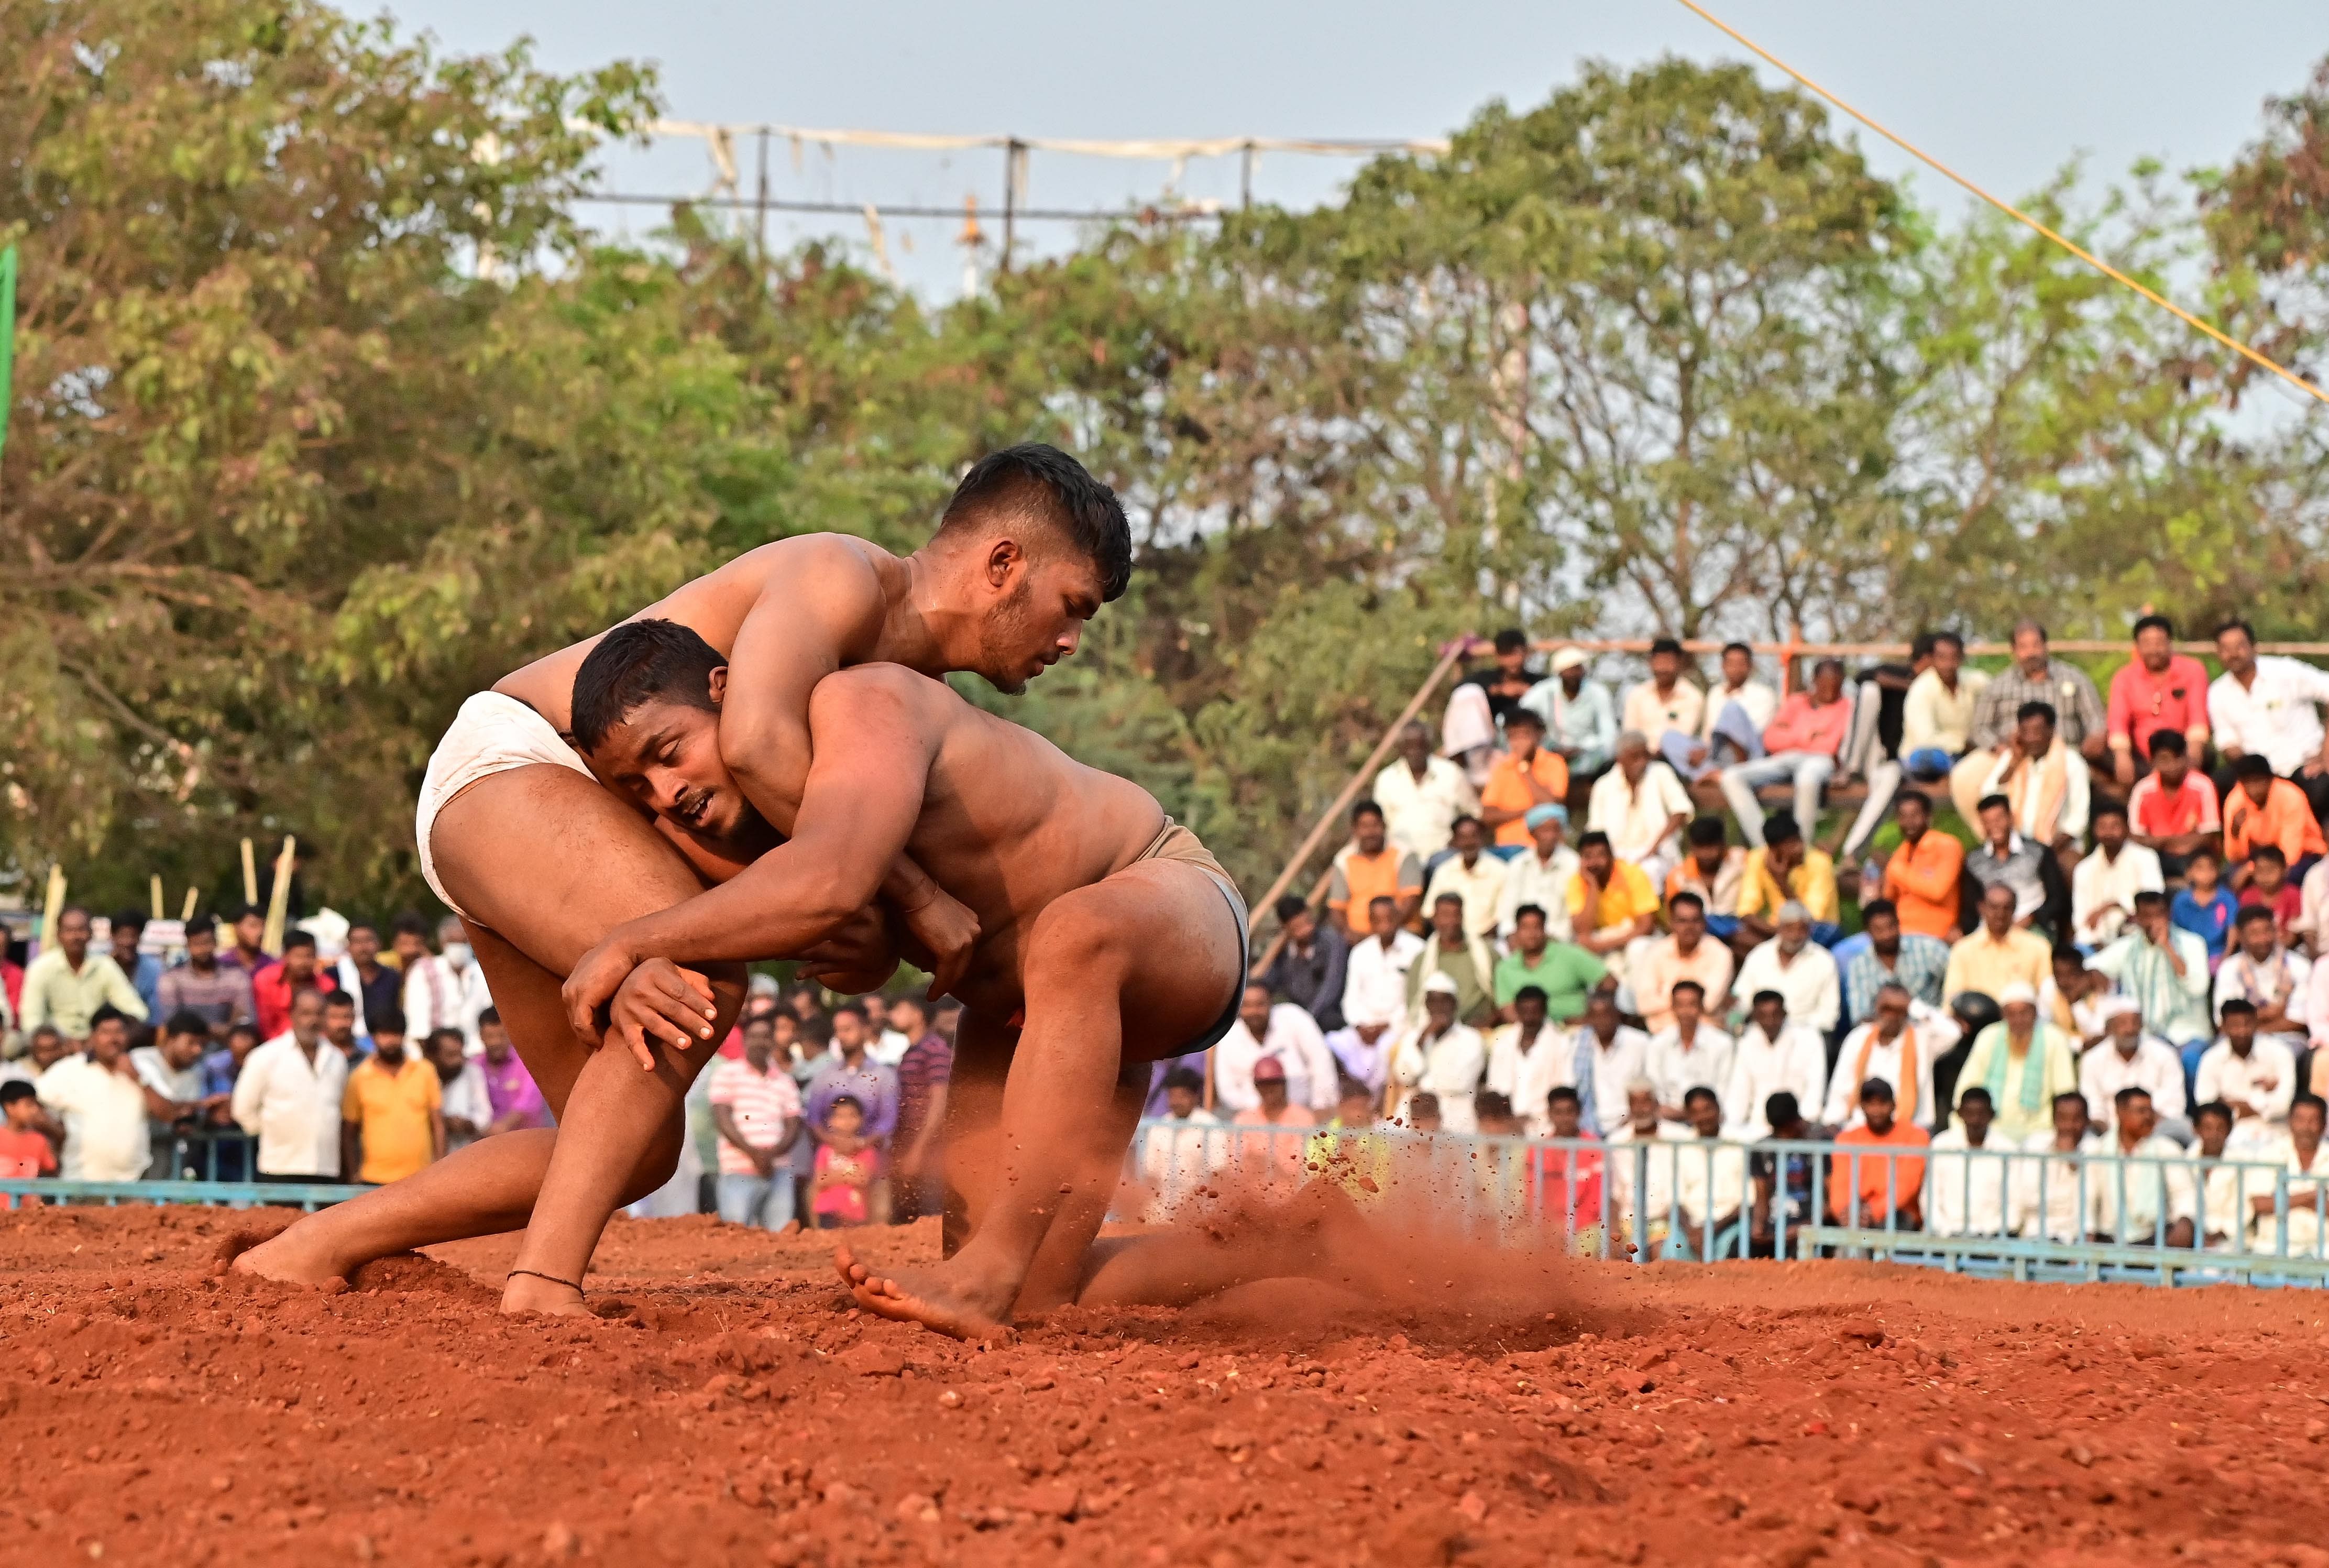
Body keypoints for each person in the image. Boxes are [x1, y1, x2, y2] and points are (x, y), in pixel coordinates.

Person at [233, 445, 1131, 1306]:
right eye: (1073, 602)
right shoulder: (841, 577)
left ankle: (308, 1247)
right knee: (694, 976)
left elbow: (782, 846)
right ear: (1004, 562)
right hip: (518, 765)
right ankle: (541, 1286)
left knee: (631, 1144)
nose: (1071, 637)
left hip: (562, 823)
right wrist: (905, 895)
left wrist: (851, 908)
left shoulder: (896, 688)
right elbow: (753, 742)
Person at [1950, 620, 2108, 821]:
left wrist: (2095, 737)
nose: (2031, 652)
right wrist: (2000, 750)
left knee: (2075, 778)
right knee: (1964, 777)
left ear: (2045, 646)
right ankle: (1997, 843)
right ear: (2014, 651)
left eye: (2036, 645)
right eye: (2023, 647)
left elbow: (2095, 718)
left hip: (2064, 751)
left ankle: (2064, 839)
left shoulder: (2074, 678)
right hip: (2011, 752)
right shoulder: (1998, 686)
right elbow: (1980, 728)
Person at [2209, 620, 2329, 831]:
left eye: (2240, 646)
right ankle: (2234, 852)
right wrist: (2253, 777)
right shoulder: (2218, 692)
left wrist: (2325, 754)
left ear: (2254, 646)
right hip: (2257, 773)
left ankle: (2314, 852)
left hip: (2302, 766)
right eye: (2226, 649)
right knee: (2217, 785)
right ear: (2218, 653)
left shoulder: (2286, 672)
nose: (2233, 654)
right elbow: (2228, 744)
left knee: (2321, 790)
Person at [1718, 658, 1851, 847]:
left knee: (1807, 778)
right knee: (1731, 777)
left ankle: (1799, 848)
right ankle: (1766, 846)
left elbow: (1830, 746)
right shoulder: (1796, 702)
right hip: (1785, 759)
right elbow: (1771, 740)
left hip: (1821, 761)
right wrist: (1807, 736)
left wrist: (1791, 733)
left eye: (1836, 685)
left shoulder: (1846, 706)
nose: (1830, 690)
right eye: (1825, 684)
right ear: (1814, 680)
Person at [231, 989, 347, 1182]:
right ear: (292, 1015)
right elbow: (242, 1109)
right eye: (306, 1014)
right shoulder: (266, 1056)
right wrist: (272, 1130)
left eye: (319, 1014)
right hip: (279, 1167)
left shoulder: (337, 1059)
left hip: (326, 1167)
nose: (313, 1021)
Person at [2092, 891, 2215, 1069]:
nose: (2154, 922)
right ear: (2138, 919)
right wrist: (2096, 972)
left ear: (2169, 915)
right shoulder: (2128, 947)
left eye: (2159, 915)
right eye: (2147, 916)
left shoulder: (2193, 944)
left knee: (2190, 1061)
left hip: (2187, 1034)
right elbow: (2089, 966)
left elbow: (2198, 988)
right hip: (2145, 1036)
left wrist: (2168, 948)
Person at [36, 1010, 160, 1181]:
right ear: (93, 1037)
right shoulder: (69, 1070)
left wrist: (138, 1078)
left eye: (119, 1032)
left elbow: (167, 1113)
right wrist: (56, 1133)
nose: (113, 1039)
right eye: (106, 1033)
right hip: (79, 1182)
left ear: (127, 1036)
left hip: (134, 1182)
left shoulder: (142, 1068)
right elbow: (32, 1102)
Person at [708, 1013, 802, 1231]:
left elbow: (794, 1124)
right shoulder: (727, 1073)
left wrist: (771, 1155)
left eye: (765, 1036)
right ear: (745, 1040)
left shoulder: (785, 1080)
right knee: (737, 1237)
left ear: (772, 1041)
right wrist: (755, 1154)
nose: (759, 1041)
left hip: (778, 1170)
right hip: (738, 1170)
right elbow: (723, 1119)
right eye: (754, 1036)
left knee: (781, 1240)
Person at [1954, 983, 2081, 1145]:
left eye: (2024, 1013)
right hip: (1991, 1130)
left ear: (2035, 1013)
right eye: (2012, 1014)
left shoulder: (2054, 1039)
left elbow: (2065, 1091)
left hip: (2041, 1132)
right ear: (2003, 1015)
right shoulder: (1989, 1036)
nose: (2019, 1020)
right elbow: (1967, 1087)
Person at [2106, 613, 2212, 790]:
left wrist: (2192, 757)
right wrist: (2122, 756)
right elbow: (2118, 721)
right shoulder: (2124, 677)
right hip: (2141, 758)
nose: (2154, 650)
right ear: (2137, 647)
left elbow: (2198, 717)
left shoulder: (2193, 670)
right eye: (2146, 644)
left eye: (2159, 643)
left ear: (2170, 643)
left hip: (2182, 754)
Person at [1332, 896, 1423, 1095]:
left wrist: (1386, 1026)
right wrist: (1360, 1026)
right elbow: (1351, 998)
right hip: (1364, 1028)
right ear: (1370, 922)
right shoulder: (1360, 952)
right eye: (1378, 920)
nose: (1385, 925)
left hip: (1398, 1027)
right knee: (1332, 1044)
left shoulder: (1416, 950)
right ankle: (1351, 1101)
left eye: (1389, 918)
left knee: (1385, 1052)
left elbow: (1415, 999)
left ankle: (1376, 1104)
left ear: (1398, 918)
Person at [339, 1013, 443, 1186]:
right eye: (384, 1035)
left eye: (395, 1034)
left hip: (421, 1177)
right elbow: (349, 1133)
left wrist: (440, 1168)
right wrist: (354, 1175)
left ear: (403, 1036)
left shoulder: (425, 1071)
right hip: (373, 1179)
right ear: (374, 1037)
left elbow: (438, 1125)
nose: (390, 1041)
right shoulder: (359, 1078)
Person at [19, 906, 148, 1043]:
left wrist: (112, 1034)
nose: (76, 937)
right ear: (58, 935)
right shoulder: (41, 968)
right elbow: (31, 1020)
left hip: (97, 1043)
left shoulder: (104, 966)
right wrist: (56, 1041)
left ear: (91, 934)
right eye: (69, 931)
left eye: (81, 930)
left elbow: (136, 1010)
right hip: (55, 1044)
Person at [1214, 982, 1339, 1117]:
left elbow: (1321, 1060)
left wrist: (1321, 1104)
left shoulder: (1294, 1017)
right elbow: (1227, 1090)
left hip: (1306, 1114)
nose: (1254, 1012)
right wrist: (1264, 1112)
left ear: (1271, 1003)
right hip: (1253, 1120)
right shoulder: (1229, 1037)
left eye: (1260, 1005)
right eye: (1247, 1006)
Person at [1585, 731, 1693, 886]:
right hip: (1616, 853)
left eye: (1645, 756)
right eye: (1635, 757)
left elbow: (1681, 811)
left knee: (1651, 871)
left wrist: (1653, 849)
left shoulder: (1661, 773)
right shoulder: (1603, 785)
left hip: (1655, 852)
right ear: (1620, 760)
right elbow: (1595, 829)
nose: (1642, 762)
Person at [1826, 984, 1938, 1131]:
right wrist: (1833, 1121)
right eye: (1887, 1009)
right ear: (1877, 1009)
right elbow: (1840, 1088)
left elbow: (1953, 1032)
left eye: (1899, 1010)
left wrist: (1913, 1005)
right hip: (1860, 1128)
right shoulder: (1858, 1037)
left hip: (1911, 1131)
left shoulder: (1922, 1037)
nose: (1892, 1016)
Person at [1721, 990, 1829, 1141]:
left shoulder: (1809, 1039)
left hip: (1798, 1128)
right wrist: (1732, 1124)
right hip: (1757, 1129)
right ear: (1755, 1016)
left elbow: (1815, 1090)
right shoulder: (1747, 1043)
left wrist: (1802, 1124)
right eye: (1763, 1016)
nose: (1770, 1021)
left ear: (1785, 1014)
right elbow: (1739, 1093)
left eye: (1775, 1015)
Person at [1388, 973, 1488, 1133]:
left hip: (1453, 1113)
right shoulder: (1414, 1037)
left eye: (1444, 1001)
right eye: (1433, 1001)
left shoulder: (1471, 1039)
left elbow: (1460, 1083)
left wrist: (1423, 1084)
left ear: (1454, 1004)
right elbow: (1405, 1076)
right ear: (1426, 1004)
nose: (1439, 1007)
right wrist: (1422, 1041)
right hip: (1416, 1110)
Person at [1626, 892, 1733, 1034]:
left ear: (1704, 923)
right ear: (1671, 923)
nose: (1689, 927)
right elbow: (1643, 1005)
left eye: (1695, 921)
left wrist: (1665, 994)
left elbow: (1709, 1004)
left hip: (1705, 1034)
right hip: (1660, 1035)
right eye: (1682, 921)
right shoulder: (1656, 952)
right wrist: (1690, 1001)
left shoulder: (1720, 954)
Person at [1830, 1078, 1928, 1229]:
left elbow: (1907, 1187)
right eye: (1871, 1104)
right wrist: (1844, 1212)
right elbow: (1840, 1185)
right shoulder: (1847, 1139)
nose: (1876, 1110)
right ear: (1862, 1106)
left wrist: (1873, 1212)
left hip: (1899, 1214)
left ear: (1894, 1105)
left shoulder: (1915, 1136)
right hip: (1857, 1212)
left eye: (1883, 1103)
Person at [2080, 1001, 2188, 1139]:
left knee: (2183, 1128)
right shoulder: (2092, 1059)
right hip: (2108, 1131)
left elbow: (2175, 1103)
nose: (2130, 1029)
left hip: (2156, 1128)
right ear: (2110, 1029)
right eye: (2123, 1024)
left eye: (2135, 1022)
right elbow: (2093, 1105)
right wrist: (2115, 1133)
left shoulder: (2164, 1054)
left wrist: (2143, 1121)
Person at [2213, 905, 2312, 1056]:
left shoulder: (2299, 966)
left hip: (2287, 1038)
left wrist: (2250, 1026)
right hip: (2238, 1041)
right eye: (2255, 933)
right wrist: (2275, 1013)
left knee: (2290, 1053)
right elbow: (2224, 1022)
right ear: (2240, 936)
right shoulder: (2229, 969)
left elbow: (2298, 1021)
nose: (2263, 939)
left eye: (2268, 931)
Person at [1674, 642, 1778, 784]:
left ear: (1751, 667)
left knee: (1731, 708)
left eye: (1741, 664)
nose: (1736, 669)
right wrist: (1702, 750)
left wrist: (1709, 751)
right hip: (1714, 755)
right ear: (1723, 666)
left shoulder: (1764, 695)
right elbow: (1707, 733)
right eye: (1731, 664)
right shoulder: (1715, 693)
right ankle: (1711, 773)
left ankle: (1711, 771)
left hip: (1746, 757)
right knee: (1669, 737)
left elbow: (1750, 735)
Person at [1374, 720, 1478, 861]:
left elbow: (1473, 814)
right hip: (1402, 860)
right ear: (1401, 749)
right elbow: (1379, 826)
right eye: (1409, 746)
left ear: (1428, 746)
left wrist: (1459, 841)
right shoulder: (1386, 780)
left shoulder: (1450, 773)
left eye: (1419, 745)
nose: (1415, 752)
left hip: (1445, 855)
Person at [1732, 815, 1840, 950]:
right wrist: (1779, 933)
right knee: (1738, 936)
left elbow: (1809, 919)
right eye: (1791, 844)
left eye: (1799, 841)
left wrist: (1781, 882)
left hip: (1817, 931)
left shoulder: (1820, 862)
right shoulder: (1758, 859)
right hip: (1777, 929)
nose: (1799, 848)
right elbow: (1746, 910)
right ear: (1773, 849)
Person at [2195, 999, 2295, 1142]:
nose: (2242, 1031)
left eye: (2247, 1024)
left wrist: (2234, 1105)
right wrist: (2264, 1101)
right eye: (2235, 1025)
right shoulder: (2211, 1059)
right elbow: (2206, 1107)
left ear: (2256, 1023)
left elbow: (2285, 1104)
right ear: (2223, 1027)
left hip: (2274, 1133)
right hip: (2228, 1137)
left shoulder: (2280, 1053)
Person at [1733, 904, 1841, 1035]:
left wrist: (1796, 1031)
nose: (1795, 936)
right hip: (1760, 1031)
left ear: (1810, 931)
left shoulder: (1824, 961)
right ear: (1779, 928)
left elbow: (1829, 1013)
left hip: (1806, 1035)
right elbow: (1743, 998)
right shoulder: (1759, 955)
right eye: (1789, 929)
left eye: (1801, 930)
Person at [891, 999, 954, 1221]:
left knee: (931, 1215)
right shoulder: (915, 1050)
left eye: (899, 1008)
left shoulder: (934, 1049)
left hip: (930, 1147)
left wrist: (919, 1150)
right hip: (913, 1142)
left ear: (917, 1015)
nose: (893, 1014)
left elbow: (939, 1102)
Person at [1325, 802, 1424, 940]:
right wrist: (1351, 935)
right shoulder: (1344, 859)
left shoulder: (1404, 854)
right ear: (1355, 830)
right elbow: (1337, 908)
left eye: (1375, 825)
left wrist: (1386, 933)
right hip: (1358, 938)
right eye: (1364, 826)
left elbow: (1411, 900)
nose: (1371, 832)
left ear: (1384, 825)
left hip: (1401, 933)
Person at [1876, 790, 1964, 944]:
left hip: (1934, 935)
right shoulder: (1901, 853)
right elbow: (1888, 899)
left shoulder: (1947, 845)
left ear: (1929, 817)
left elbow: (1937, 891)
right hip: (1898, 934)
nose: (1908, 822)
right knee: (1845, 952)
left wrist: (1898, 871)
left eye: (1915, 816)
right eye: (1903, 817)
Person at [1842, 900, 1950, 1024]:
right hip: (1883, 1033)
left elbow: (1956, 978)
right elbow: (1860, 1016)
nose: (1887, 935)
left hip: (1929, 1027)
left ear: (1899, 923)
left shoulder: (1929, 949)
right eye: (1879, 930)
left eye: (1891, 927)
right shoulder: (1859, 965)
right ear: (1868, 932)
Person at [2012, 1091, 2100, 1243]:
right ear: (2054, 1120)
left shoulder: (2096, 1149)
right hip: (2035, 1234)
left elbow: (2090, 1205)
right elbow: (2027, 1198)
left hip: (2074, 1238)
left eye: (2076, 1119)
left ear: (2087, 1121)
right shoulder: (2035, 1145)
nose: (2069, 1126)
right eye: (2063, 1119)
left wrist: (2073, 1161)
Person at [1671, 1085, 1747, 1259]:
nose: (1704, 1117)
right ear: (1689, 1116)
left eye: (1708, 1109)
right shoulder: (1681, 1148)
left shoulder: (1739, 1145)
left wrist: (1712, 1229)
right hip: (1692, 1225)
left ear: (1719, 1109)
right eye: (1696, 1112)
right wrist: (1692, 1233)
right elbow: (1675, 1201)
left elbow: (1747, 1203)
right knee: (1672, 1251)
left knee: (1727, 1253)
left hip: (1729, 1224)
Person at [1944, 883, 2055, 1004]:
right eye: (1994, 907)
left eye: (2006, 908)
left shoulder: (2038, 947)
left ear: (2014, 909)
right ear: (1982, 908)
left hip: (2023, 1019)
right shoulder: (1963, 950)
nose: (2000, 914)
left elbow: (2047, 997)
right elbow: (1953, 998)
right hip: (1977, 1019)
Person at [1493, 904, 1605, 1023]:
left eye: (1537, 927)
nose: (1531, 933)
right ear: (1516, 932)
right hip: (1530, 1032)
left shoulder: (1569, 955)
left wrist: (1592, 1016)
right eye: (1525, 928)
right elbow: (1508, 1011)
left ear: (1544, 929)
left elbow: (1608, 981)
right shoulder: (1505, 968)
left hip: (1575, 1029)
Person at [2072, 802, 2162, 948]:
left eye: (2115, 826)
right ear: (2094, 831)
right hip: (2094, 942)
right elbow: (2081, 919)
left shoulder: (2146, 858)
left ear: (2127, 829)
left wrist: (2113, 905)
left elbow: (2154, 902)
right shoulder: (2083, 869)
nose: (2108, 833)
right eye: (2103, 827)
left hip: (2135, 936)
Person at [2225, 753, 2327, 883]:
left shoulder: (2290, 797)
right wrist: (2235, 833)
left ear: (2271, 779)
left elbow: (2291, 856)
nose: (2254, 789)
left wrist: (2252, 869)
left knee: (2286, 877)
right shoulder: (2235, 801)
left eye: (2259, 781)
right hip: (2260, 856)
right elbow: (2235, 857)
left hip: (2305, 855)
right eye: (2248, 783)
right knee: (2230, 877)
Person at [2248, 1092, 2329, 1254]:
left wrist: (2283, 1201)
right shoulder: (2270, 1154)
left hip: (2325, 1250)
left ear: (2324, 1124)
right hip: (2273, 1248)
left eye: (2313, 1120)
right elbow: (2260, 1204)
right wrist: (2313, 1196)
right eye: (2300, 1120)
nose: (2306, 1127)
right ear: (2290, 1121)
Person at [1899, 631, 1987, 781]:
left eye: (1954, 658)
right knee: (1925, 758)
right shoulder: (1921, 689)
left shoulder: (1975, 681)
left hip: (1967, 752)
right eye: (1942, 658)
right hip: (1930, 755)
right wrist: (1963, 743)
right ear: (1933, 659)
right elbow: (1925, 739)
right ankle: (1963, 769)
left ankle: (1965, 767)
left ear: (1962, 658)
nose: (1948, 664)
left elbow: (1996, 692)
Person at [1644, 979, 1734, 1124]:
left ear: (1701, 1007)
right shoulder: (1658, 1044)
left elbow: (1723, 1090)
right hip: (1668, 1122)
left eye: (1692, 1005)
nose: (1686, 1012)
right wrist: (1680, 1114)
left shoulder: (1722, 1044)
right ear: (1673, 1007)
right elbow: (1656, 1091)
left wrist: (1701, 1114)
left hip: (1710, 1122)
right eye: (1680, 1005)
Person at [1137, 1068, 1226, 1216]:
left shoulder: (1211, 1126)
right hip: (1162, 1209)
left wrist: (1194, 1205)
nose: (1176, 1102)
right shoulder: (1160, 1127)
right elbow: (1150, 1174)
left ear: (1195, 1096)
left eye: (1182, 1096)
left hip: (1200, 1209)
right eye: (1172, 1096)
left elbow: (1218, 1173)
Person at [1479, 709, 1569, 851]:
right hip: (1507, 848)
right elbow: (1488, 816)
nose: (1519, 742)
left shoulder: (1555, 763)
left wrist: (1524, 767)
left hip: (1543, 848)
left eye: (1525, 735)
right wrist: (1529, 810)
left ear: (1539, 735)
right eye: (1513, 737)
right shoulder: (1503, 768)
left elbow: (1552, 806)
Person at [1485, 985, 1570, 1137]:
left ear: (1544, 1010)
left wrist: (1531, 1118)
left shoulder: (1561, 1044)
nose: (1530, 1016)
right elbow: (1495, 1088)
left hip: (1545, 1126)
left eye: (1535, 1011)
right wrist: (1510, 1119)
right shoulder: (1503, 1043)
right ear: (1517, 1010)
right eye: (1525, 1011)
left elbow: (1561, 1090)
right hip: (1506, 1124)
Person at [1925, 1085, 2008, 1238]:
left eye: (1981, 1114)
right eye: (1970, 1114)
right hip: (1946, 1236)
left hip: (1994, 1239)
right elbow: (1930, 1198)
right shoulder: (1942, 1145)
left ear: (1992, 1115)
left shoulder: (2007, 1150)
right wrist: (1945, 1231)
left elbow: (2014, 1204)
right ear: (1959, 1114)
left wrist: (1990, 1232)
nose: (1975, 1120)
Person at [1522, 647, 1617, 780]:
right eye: (1568, 669)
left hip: (1587, 753)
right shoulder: (1543, 692)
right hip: (1550, 751)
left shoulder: (1598, 692)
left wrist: (1581, 749)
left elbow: (1609, 735)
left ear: (1583, 671)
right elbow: (1519, 717)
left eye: (1577, 669)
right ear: (1559, 672)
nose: (1572, 674)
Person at [1257, 896, 1348, 1033]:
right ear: (1286, 928)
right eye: (1297, 928)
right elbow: (1267, 984)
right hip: (1298, 1017)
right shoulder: (1283, 954)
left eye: (1307, 923)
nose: (1306, 931)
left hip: (1330, 1014)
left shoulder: (1332, 942)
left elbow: (1332, 986)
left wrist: (1307, 1018)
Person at [1405, 893, 1496, 1029]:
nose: (1452, 921)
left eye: (1456, 915)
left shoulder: (1487, 954)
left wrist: (1483, 1025)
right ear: (1435, 919)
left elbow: (1501, 1002)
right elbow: (1414, 1004)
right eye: (1445, 915)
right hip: (1435, 1031)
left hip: (1482, 1029)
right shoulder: (1422, 960)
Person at [156, 918, 257, 1040]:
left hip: (226, 1044)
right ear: (187, 945)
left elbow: (245, 1020)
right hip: (187, 1042)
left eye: (206, 943)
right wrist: (213, 1030)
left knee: (243, 1040)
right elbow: (172, 1023)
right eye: (196, 944)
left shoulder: (236, 976)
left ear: (215, 942)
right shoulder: (172, 978)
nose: (202, 949)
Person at [1746, 1090, 1818, 1256]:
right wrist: (1758, 1225)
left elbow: (1830, 1201)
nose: (1784, 1136)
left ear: (1796, 1120)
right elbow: (1761, 1195)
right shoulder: (1762, 1149)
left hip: (1809, 1225)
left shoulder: (1818, 1145)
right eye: (1778, 1130)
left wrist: (1805, 1227)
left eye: (1787, 1129)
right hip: (1774, 1228)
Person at [1228, 1057, 1319, 1188]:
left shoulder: (1303, 1118)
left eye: (1273, 1083)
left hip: (1291, 1196)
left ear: (1283, 1083)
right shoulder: (1244, 1120)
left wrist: (1266, 1162)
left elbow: (1302, 1167)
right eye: (1263, 1084)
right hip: (1251, 1195)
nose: (1268, 1089)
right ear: (1256, 1086)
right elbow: (1234, 1166)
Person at [1567, 831, 1658, 959]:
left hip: (1632, 934)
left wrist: (1605, 945)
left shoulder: (1633, 874)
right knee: (1579, 947)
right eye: (1588, 856)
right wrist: (1593, 887)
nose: (1594, 862)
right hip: (1601, 935)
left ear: (1611, 856)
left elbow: (1647, 926)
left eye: (1600, 855)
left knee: (1638, 948)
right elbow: (1582, 930)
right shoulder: (1578, 881)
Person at [1495, 805, 1579, 944]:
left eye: (1555, 830)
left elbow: (1572, 913)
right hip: (1520, 939)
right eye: (1545, 830)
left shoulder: (1573, 863)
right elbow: (1507, 909)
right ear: (1532, 833)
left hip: (1559, 939)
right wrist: (1512, 936)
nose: (1551, 836)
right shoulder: (1518, 864)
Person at [1574, 991, 1652, 1138]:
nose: (1601, 1021)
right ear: (1588, 1019)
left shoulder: (1640, 1043)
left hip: (1630, 1124)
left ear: (1617, 1015)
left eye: (1606, 1014)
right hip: (1589, 1126)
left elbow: (1652, 1086)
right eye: (1595, 1015)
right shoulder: (1578, 1045)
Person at [1422, 817, 1507, 946]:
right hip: (1448, 942)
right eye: (1463, 837)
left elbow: (1502, 916)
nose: (1469, 842)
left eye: (1474, 836)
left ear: (1482, 838)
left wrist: (1476, 944)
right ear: (1455, 841)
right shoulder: (1445, 871)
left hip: (1489, 941)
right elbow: (1430, 912)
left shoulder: (1500, 871)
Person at [1667, 816, 1748, 945]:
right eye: (1700, 848)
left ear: (1723, 844)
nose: (1706, 854)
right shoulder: (1678, 877)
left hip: (1740, 925)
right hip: (1698, 933)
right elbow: (1676, 917)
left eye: (1711, 847)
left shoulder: (1743, 861)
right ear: (1692, 847)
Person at [1620, 638, 1706, 760]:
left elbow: (1682, 737)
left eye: (1668, 662)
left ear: (1680, 662)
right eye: (1658, 662)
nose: (1662, 668)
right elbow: (1630, 733)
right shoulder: (1638, 695)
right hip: (1638, 758)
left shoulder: (1692, 697)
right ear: (1650, 663)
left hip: (1675, 759)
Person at [252, 930, 337, 1044]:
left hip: (316, 1046)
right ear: (285, 956)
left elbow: (327, 1026)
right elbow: (266, 1026)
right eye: (298, 956)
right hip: (273, 1047)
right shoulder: (266, 981)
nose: (304, 962)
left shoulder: (327, 986)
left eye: (309, 956)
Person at [477, 1010, 552, 1135]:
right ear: (481, 1036)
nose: (496, 1042)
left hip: (526, 1141)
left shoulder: (527, 1063)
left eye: (501, 1036)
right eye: (490, 1036)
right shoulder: (474, 1066)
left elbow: (528, 1103)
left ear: (510, 1033)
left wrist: (501, 1127)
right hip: (483, 1144)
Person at [810, 1096, 878, 1229]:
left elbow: (863, 1179)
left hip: (855, 1212)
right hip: (828, 1211)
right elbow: (820, 1180)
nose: (847, 1121)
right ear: (831, 1121)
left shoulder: (867, 1151)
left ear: (861, 1119)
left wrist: (833, 1175)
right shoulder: (825, 1150)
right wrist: (849, 1175)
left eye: (852, 1116)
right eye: (841, 1117)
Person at [1458, 627, 1545, 731]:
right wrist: (1498, 690)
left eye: (1517, 653)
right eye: (1506, 654)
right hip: (1492, 738)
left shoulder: (1539, 682)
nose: (1512, 660)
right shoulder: (1484, 679)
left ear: (1526, 653)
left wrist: (1533, 692)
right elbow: (1459, 690)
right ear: (1497, 656)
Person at [2170, 847, 2241, 959]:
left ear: (2218, 870)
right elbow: (2176, 931)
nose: (2206, 873)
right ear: (2189, 873)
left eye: (2211, 868)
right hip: (2189, 955)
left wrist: (2226, 956)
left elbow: (2233, 930)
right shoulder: (2181, 900)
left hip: (2218, 954)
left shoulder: (2227, 898)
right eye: (2200, 868)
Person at [431, 1027, 493, 1153]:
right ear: (433, 1056)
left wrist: (468, 1124)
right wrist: (441, 1121)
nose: (458, 1060)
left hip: (464, 1154)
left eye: (460, 1054)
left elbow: (484, 1115)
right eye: (451, 1055)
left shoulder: (472, 1072)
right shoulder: (423, 1075)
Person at [0, 1081, 59, 1193]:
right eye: (29, 1104)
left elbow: (52, 1173)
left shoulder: (39, 1141)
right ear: (10, 1107)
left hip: (28, 1208)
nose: (35, 1110)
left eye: (36, 1105)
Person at [107, 912, 163, 1022]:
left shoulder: (154, 969)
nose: (128, 942)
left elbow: (156, 1013)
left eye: (133, 936)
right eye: (123, 936)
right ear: (113, 936)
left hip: (141, 1029)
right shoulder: (100, 966)